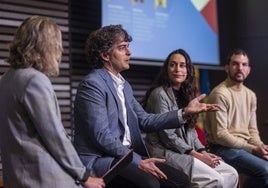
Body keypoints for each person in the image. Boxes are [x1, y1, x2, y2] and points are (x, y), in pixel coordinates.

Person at [73, 24, 219, 188]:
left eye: (128, 47)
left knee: (180, 180)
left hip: (125, 156)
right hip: (103, 159)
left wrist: (185, 112)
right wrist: (137, 160)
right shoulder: (93, 84)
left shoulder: (124, 85)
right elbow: (101, 135)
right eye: (122, 48)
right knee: (150, 184)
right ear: (105, 55)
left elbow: (146, 121)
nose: (129, 52)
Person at [0, 15, 105, 188]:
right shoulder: (35, 80)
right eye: (58, 43)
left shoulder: (5, 79)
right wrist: (84, 175)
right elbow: (54, 136)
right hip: (44, 178)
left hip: (16, 177)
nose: (60, 50)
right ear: (46, 46)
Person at [141, 49, 239, 188]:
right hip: (165, 152)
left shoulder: (187, 94)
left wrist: (203, 152)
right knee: (215, 179)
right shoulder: (159, 94)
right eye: (173, 65)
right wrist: (195, 155)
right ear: (166, 69)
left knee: (231, 174)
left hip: (187, 152)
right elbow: (167, 136)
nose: (177, 69)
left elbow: (192, 131)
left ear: (188, 70)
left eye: (182, 65)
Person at [205, 48, 268, 188]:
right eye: (235, 64)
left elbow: (252, 130)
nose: (240, 68)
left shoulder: (250, 95)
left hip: (244, 148)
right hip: (222, 149)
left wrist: (260, 147)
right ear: (227, 68)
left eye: (244, 64)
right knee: (266, 170)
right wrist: (252, 149)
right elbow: (221, 135)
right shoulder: (220, 94)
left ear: (249, 69)